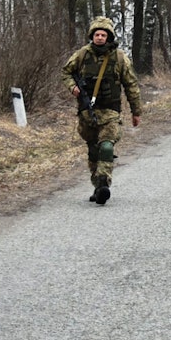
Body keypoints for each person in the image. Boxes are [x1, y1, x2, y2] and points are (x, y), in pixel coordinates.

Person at [61, 16, 143, 205]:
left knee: (106, 146)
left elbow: (131, 84)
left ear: (109, 36)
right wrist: (72, 87)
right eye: (96, 34)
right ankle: (97, 186)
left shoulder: (120, 57)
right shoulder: (82, 55)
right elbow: (65, 72)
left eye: (103, 34)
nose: (99, 37)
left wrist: (136, 111)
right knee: (93, 150)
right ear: (92, 36)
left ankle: (104, 181)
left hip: (110, 112)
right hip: (87, 113)